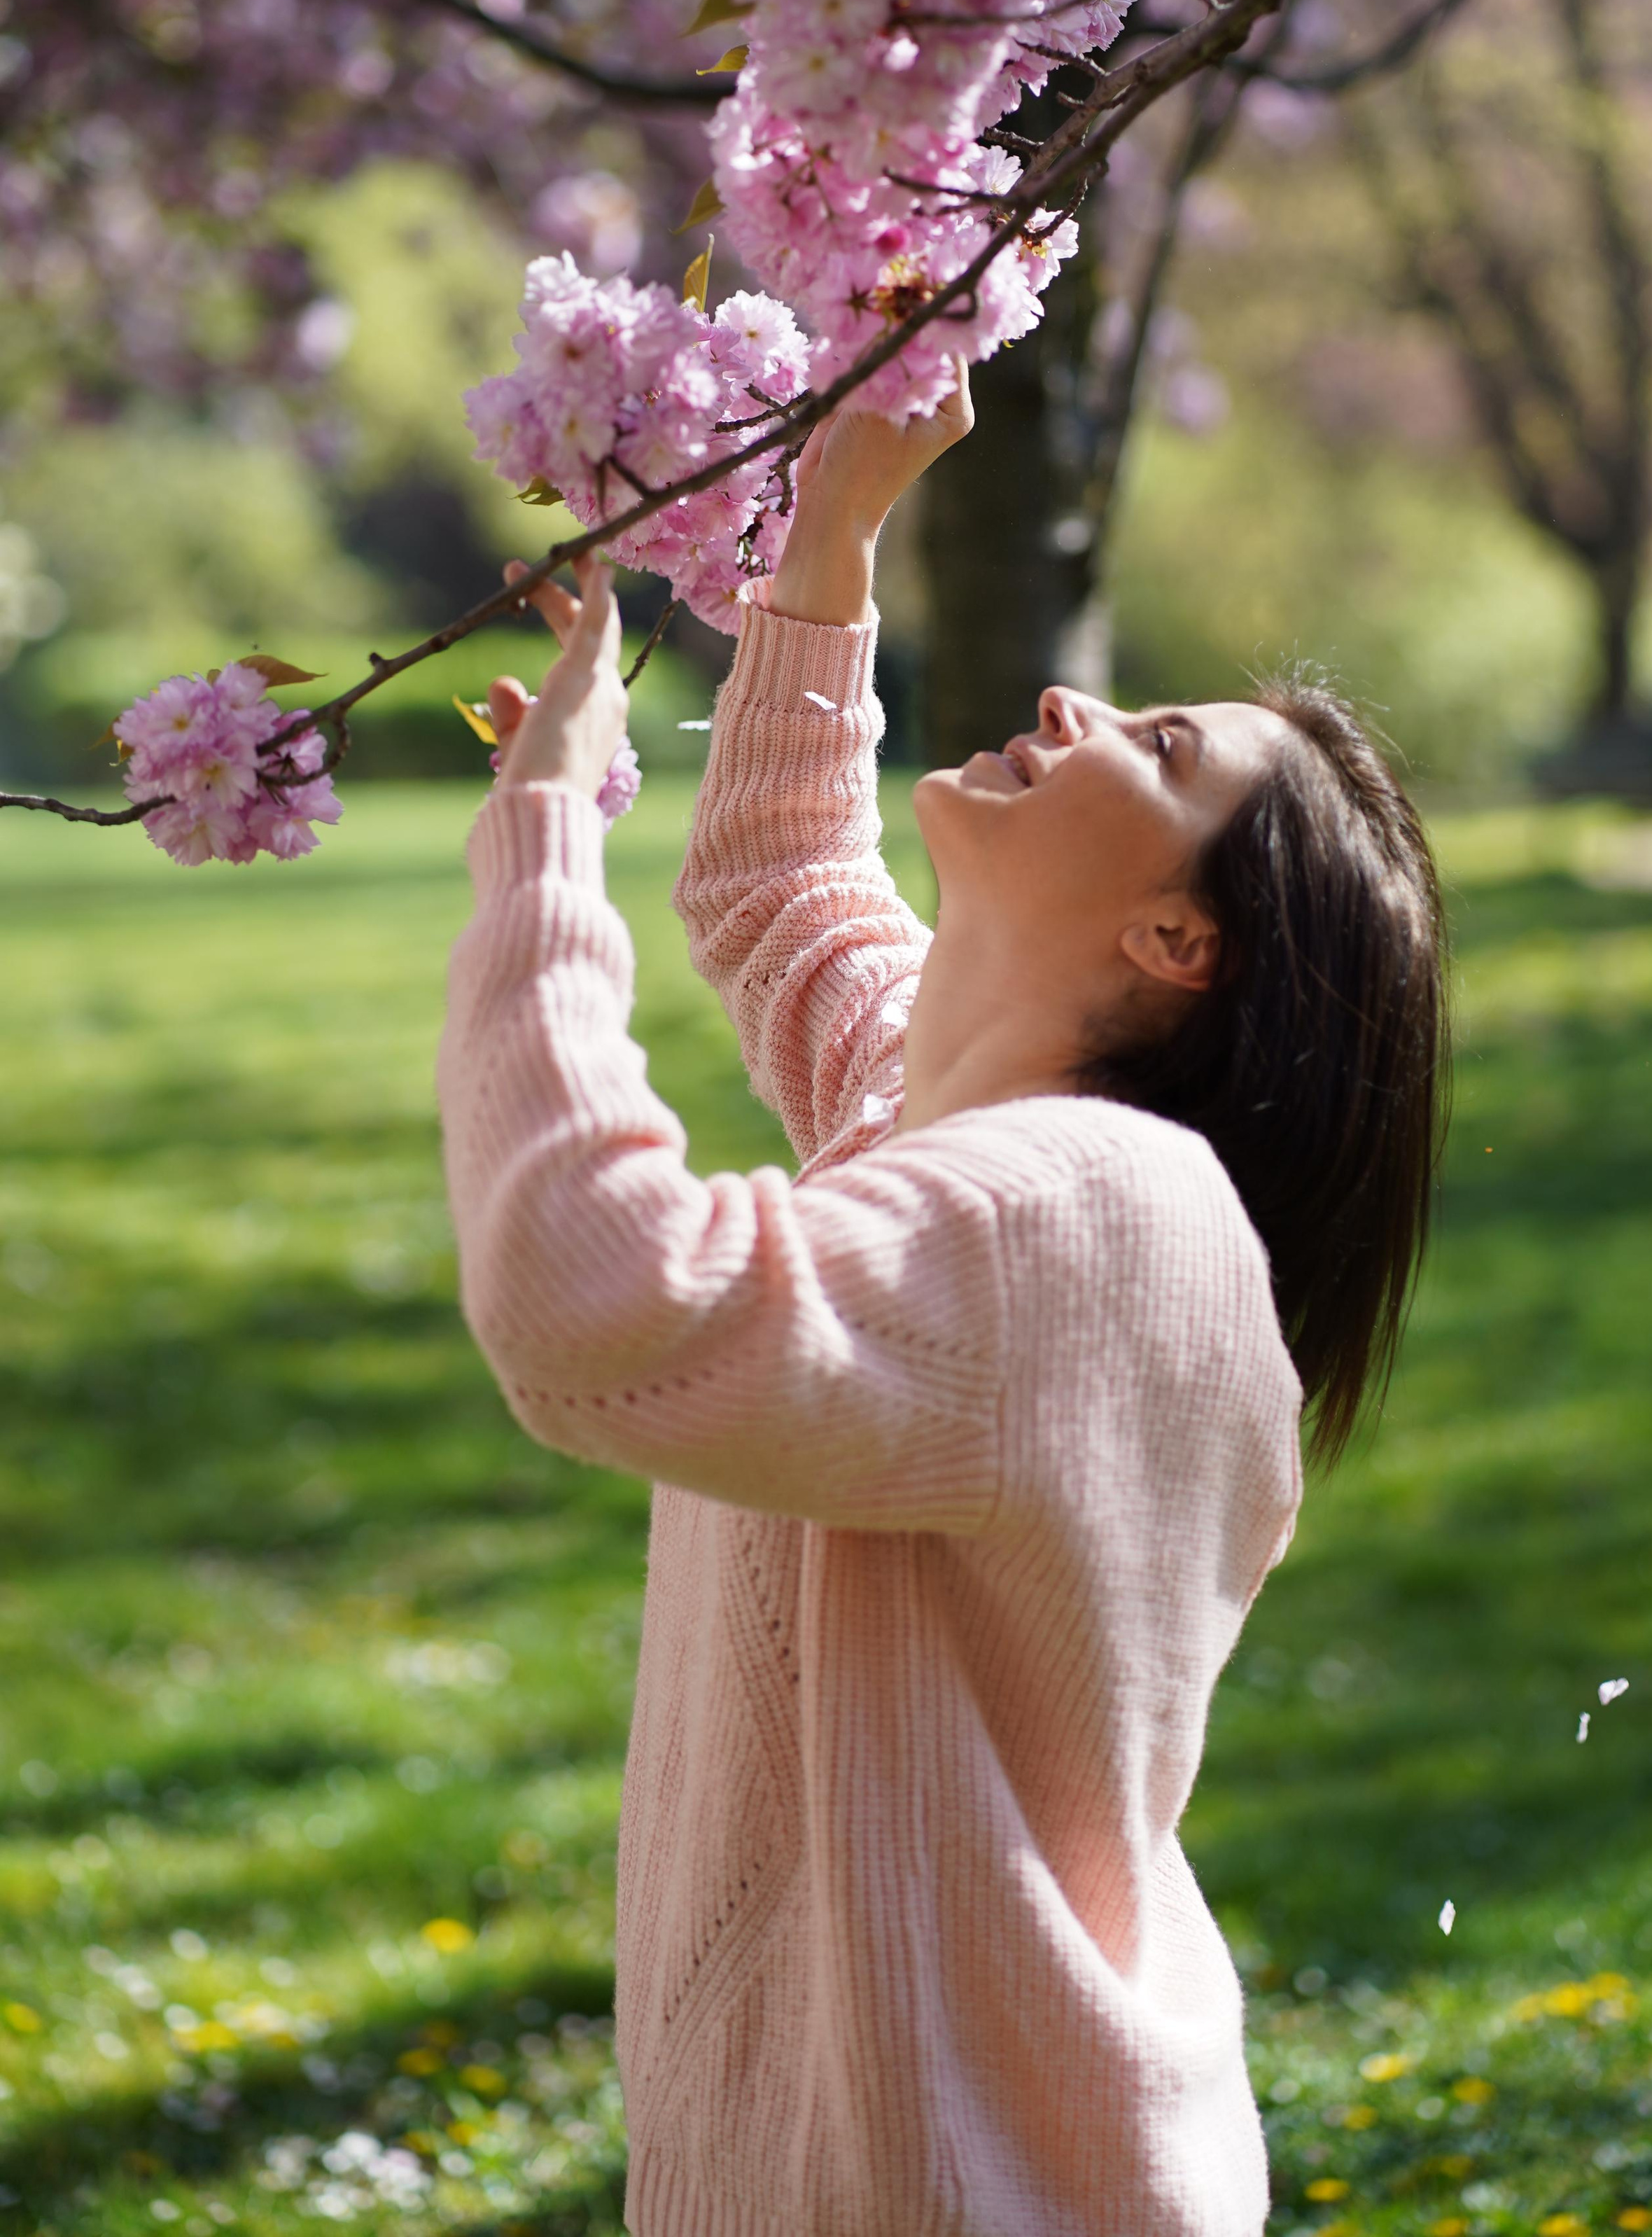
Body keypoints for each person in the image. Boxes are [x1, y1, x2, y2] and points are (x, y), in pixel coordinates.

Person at [436, 363, 1449, 2237]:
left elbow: (601, 1296)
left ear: (1179, 942)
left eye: (1150, 750)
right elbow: (783, 890)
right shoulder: (965, 1136)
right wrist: (831, 533)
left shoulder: (1082, 1220)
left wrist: (544, 845)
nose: (1071, 703)